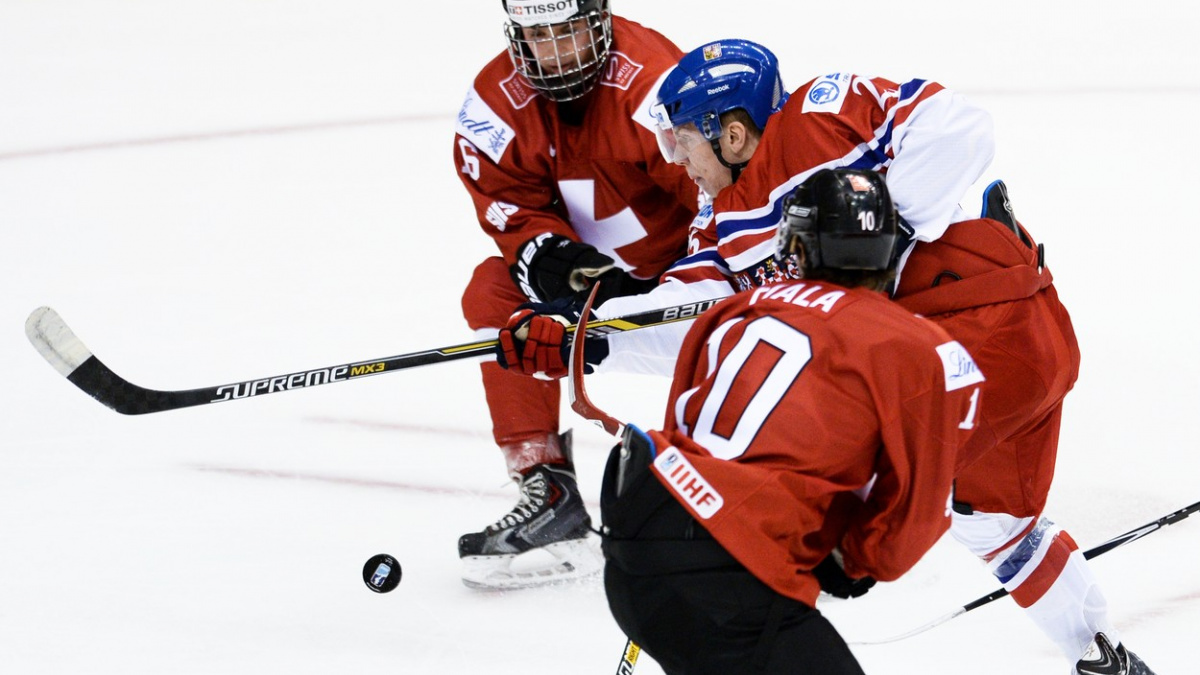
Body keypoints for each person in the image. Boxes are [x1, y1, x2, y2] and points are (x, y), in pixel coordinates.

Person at [499, 39, 1154, 673]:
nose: (677, 160)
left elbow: (960, 127)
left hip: (970, 330)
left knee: (801, 486)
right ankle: (1099, 651)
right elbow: (693, 318)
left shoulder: (814, 117)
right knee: (998, 529)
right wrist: (585, 339)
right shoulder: (720, 225)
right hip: (1015, 346)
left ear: (731, 133)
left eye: (683, 140)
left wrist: (877, 234)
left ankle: (749, 626)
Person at [601, 168, 979, 673]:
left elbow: (683, 427)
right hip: (730, 574)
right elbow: (915, 511)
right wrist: (853, 560)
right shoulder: (921, 349)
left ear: (796, 246)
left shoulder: (736, 309)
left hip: (639, 529)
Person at [451, 0, 699, 590]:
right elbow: (510, 209)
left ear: (600, 22)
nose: (555, 52)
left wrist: (695, 276)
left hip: (689, 287)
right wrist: (553, 258)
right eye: (538, 35)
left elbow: (722, 198)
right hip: (593, 296)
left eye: (568, 33)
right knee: (491, 291)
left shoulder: (653, 85)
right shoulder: (493, 107)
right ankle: (549, 491)